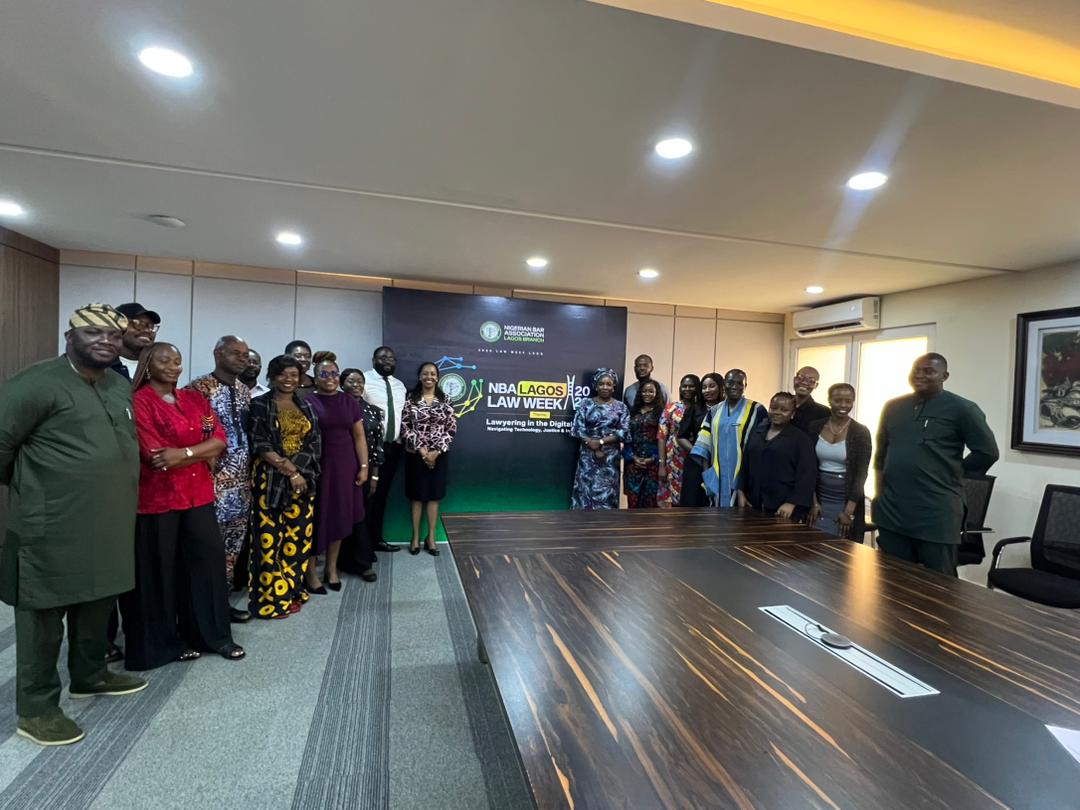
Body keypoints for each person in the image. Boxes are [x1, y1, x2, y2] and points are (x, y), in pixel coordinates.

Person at [0, 304, 147, 746]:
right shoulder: (35, 383)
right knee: (43, 616)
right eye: (93, 332)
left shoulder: (117, 385)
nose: (105, 340)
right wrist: (34, 487)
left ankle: (90, 674)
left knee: (98, 599)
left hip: (108, 522)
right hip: (51, 524)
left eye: (113, 335)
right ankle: (37, 709)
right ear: (70, 337)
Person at [126, 343, 245, 668]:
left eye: (177, 361)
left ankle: (212, 636)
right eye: (164, 360)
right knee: (158, 574)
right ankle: (162, 645)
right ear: (148, 365)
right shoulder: (139, 401)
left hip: (198, 495)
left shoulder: (195, 399)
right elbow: (154, 455)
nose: (173, 366)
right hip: (157, 500)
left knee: (206, 566)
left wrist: (184, 453)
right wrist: (199, 451)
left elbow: (219, 439)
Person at [873, 353, 999, 576]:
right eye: (916, 370)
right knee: (892, 578)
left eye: (929, 371)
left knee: (938, 583)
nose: (920, 375)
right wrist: (879, 495)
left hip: (936, 512)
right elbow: (881, 455)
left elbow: (987, 452)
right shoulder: (893, 407)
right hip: (893, 510)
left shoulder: (963, 409)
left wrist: (954, 472)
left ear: (944, 376)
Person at [248, 355, 322, 618]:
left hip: (303, 482)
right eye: (282, 374)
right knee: (270, 541)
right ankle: (272, 599)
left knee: (298, 539)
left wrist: (298, 473)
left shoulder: (306, 405)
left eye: (294, 375)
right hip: (270, 481)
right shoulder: (260, 404)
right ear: (272, 376)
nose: (289, 379)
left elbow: (314, 442)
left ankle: (291, 591)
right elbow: (259, 443)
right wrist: (290, 471)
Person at [187, 336, 255, 621]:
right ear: (218, 353)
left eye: (245, 355)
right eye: (236, 353)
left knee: (231, 550)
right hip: (210, 485)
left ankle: (221, 606)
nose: (243, 359)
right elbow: (192, 432)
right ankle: (200, 612)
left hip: (241, 486)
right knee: (205, 551)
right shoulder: (198, 389)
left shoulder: (244, 390)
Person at [306, 352, 374, 587]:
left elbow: (359, 436)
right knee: (317, 518)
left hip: (346, 468)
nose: (330, 378)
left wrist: (364, 467)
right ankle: (311, 572)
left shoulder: (349, 401)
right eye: (324, 374)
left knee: (340, 517)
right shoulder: (307, 401)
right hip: (318, 468)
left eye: (334, 373)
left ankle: (331, 569)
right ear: (315, 378)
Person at [689, 369, 769, 508]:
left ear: (745, 386)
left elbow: (763, 445)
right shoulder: (714, 411)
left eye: (739, 383)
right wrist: (707, 475)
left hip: (746, 476)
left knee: (742, 516)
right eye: (730, 382)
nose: (734, 386)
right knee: (717, 516)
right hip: (717, 476)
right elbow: (704, 446)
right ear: (724, 384)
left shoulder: (757, 410)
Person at [400, 362, 457, 555]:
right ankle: (415, 537)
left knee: (434, 497)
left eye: (433, 373)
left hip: (439, 456)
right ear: (420, 376)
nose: (429, 377)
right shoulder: (411, 399)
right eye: (425, 373)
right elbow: (405, 427)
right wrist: (423, 451)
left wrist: (436, 451)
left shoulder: (446, 400)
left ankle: (430, 538)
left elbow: (451, 428)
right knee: (417, 497)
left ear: (437, 377)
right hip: (416, 456)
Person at [737, 392, 816, 522]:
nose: (777, 412)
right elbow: (745, 465)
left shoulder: (801, 439)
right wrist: (741, 493)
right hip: (753, 504)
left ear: (793, 413)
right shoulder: (757, 433)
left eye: (784, 410)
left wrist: (792, 503)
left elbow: (807, 475)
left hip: (784, 508)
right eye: (773, 408)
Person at [806, 384, 872, 540]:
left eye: (848, 401)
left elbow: (861, 473)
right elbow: (808, 467)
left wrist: (849, 511)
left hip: (846, 499)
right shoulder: (815, 426)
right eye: (838, 400)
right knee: (814, 543)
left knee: (842, 545)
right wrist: (813, 502)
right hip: (819, 497)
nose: (843, 405)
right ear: (829, 400)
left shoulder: (860, 431)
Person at [340, 368, 386, 574]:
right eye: (351, 381)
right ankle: (342, 560)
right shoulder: (337, 407)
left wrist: (374, 474)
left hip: (364, 471)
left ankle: (362, 559)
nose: (356, 385)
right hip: (341, 469)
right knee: (343, 514)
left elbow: (377, 446)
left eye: (360, 381)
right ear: (342, 384)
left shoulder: (373, 410)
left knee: (362, 514)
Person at [362, 346, 408, 553]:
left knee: (381, 495)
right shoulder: (363, 380)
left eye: (391, 358)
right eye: (383, 357)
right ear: (373, 360)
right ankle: (362, 546)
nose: (388, 360)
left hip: (392, 448)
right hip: (369, 449)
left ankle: (376, 540)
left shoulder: (400, 386)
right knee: (366, 496)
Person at [571, 369, 630, 510]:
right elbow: (577, 428)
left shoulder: (621, 407)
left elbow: (624, 432)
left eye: (609, 384)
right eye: (601, 384)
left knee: (607, 496)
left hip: (609, 459)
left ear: (614, 387)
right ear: (596, 386)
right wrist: (591, 443)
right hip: (587, 457)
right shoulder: (585, 404)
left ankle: (606, 524)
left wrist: (601, 442)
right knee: (584, 492)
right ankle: (581, 523)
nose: (605, 387)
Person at [677, 372, 724, 507]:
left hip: (721, 461)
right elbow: (681, 437)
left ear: (721, 387)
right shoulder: (695, 408)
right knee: (692, 502)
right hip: (696, 462)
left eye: (711, 386)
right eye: (704, 387)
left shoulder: (727, 409)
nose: (707, 390)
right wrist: (700, 452)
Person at [657, 374, 700, 508]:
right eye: (684, 386)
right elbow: (662, 436)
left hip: (694, 459)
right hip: (672, 460)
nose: (687, 389)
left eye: (691, 386)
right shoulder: (671, 407)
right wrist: (662, 465)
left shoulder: (701, 408)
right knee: (671, 500)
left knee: (692, 499)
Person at [624, 380, 662, 508]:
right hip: (633, 464)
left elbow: (663, 439)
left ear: (656, 394)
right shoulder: (633, 412)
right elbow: (627, 438)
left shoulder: (661, 413)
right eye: (644, 391)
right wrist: (632, 457)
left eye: (651, 391)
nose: (647, 394)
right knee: (633, 502)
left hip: (653, 465)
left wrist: (653, 458)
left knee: (650, 503)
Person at [110, 303, 161, 381]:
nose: (147, 330)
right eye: (138, 324)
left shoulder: (158, 369)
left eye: (151, 326)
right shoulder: (103, 366)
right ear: (118, 327)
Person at [790, 366, 831, 432]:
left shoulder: (824, 412)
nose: (804, 382)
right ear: (794, 379)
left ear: (816, 385)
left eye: (811, 381)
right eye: (800, 378)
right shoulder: (781, 404)